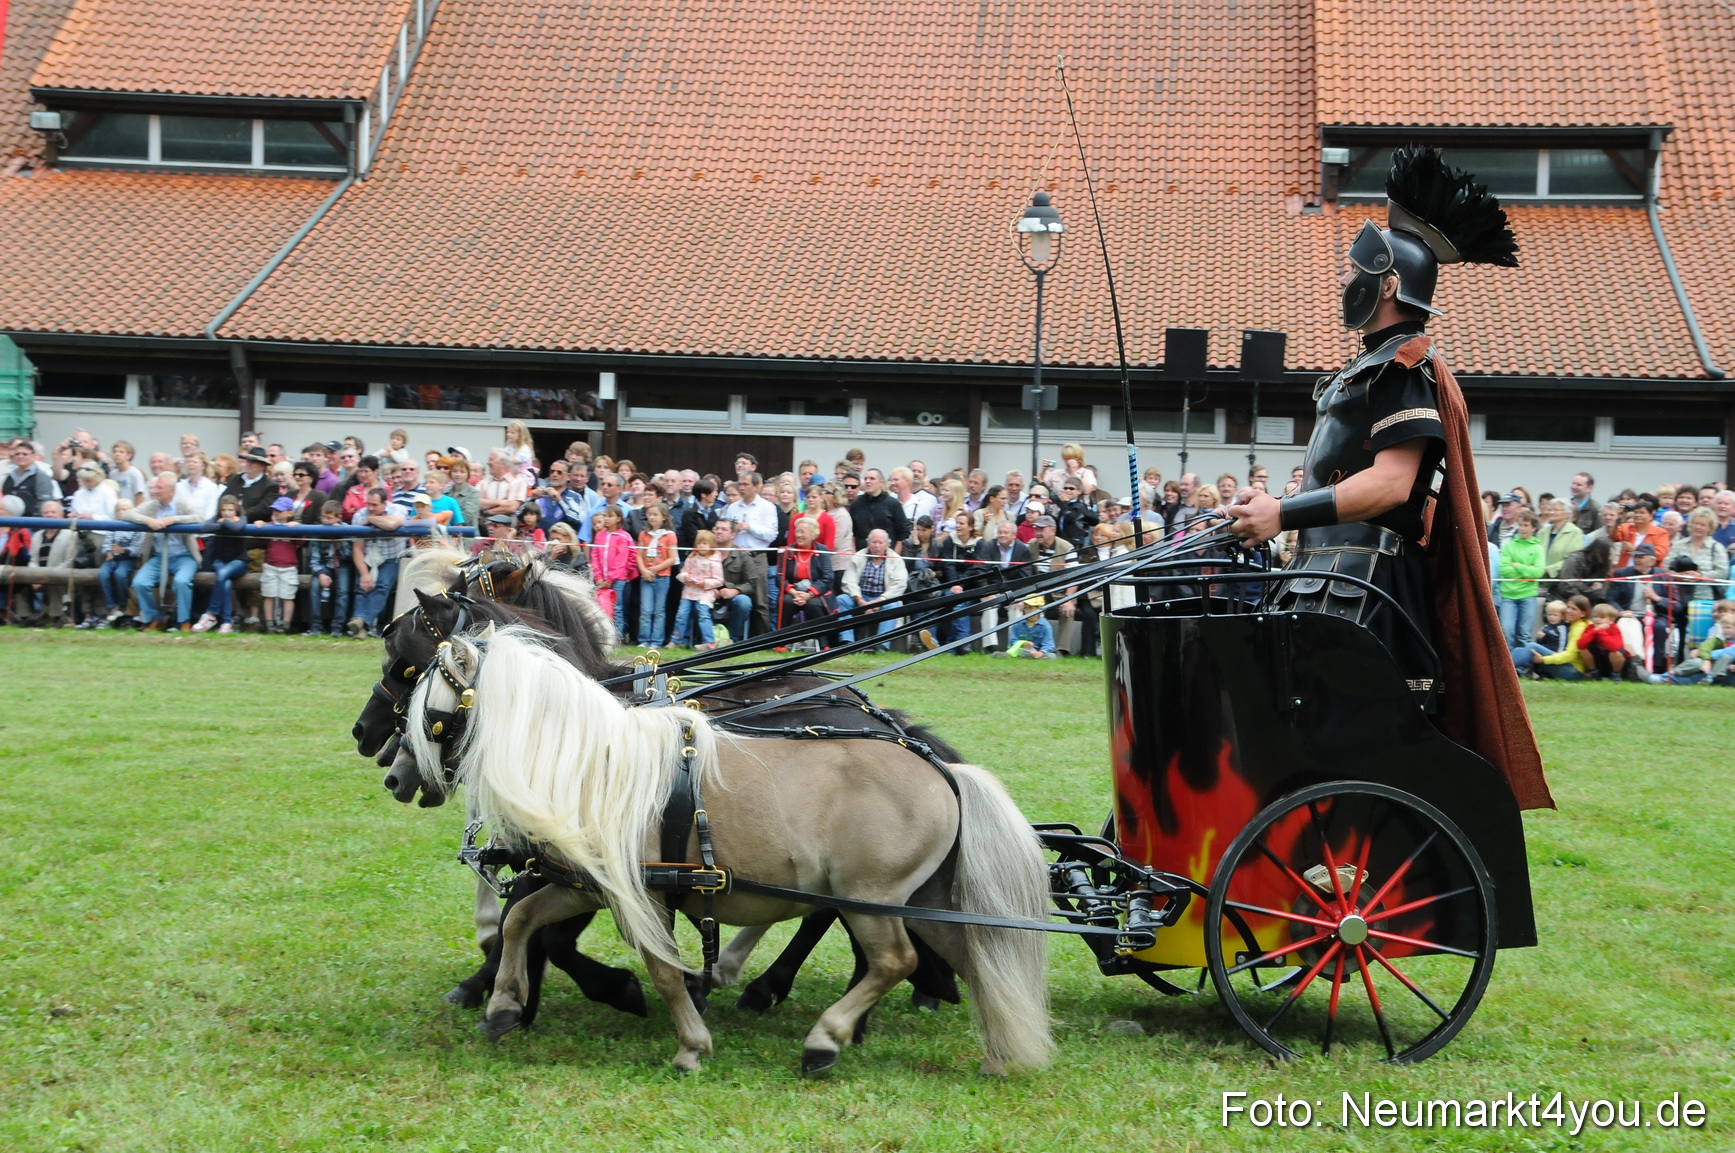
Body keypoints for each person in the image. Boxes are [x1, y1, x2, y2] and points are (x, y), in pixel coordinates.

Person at [1223, 145, 1549, 811]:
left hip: (1369, 593)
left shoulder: (1404, 367)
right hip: (1330, 580)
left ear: (1389, 285)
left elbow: (1391, 483)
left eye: (1355, 273)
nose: (1347, 282)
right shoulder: (1368, 366)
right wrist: (1273, 506)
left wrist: (1281, 514)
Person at [124, 471, 204, 631]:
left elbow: (200, 517)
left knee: (181, 582)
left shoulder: (182, 505)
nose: (155, 491)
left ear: (171, 490)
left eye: (160, 487)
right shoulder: (152, 505)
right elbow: (127, 514)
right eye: (155, 487)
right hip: (159, 557)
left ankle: (184, 621)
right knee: (139, 583)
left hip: (184, 556)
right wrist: (148, 520)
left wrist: (174, 520)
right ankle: (154, 618)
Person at [348, 488, 406, 638]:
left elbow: (392, 524)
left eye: (375, 505)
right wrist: (364, 574)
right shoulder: (359, 515)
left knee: (382, 586)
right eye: (368, 504)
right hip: (367, 556)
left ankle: (361, 621)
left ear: (385, 503)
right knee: (362, 587)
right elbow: (357, 549)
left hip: (391, 557)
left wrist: (371, 520)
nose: (370, 508)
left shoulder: (398, 509)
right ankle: (361, 628)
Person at [838, 528, 907, 649]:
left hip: (884, 599)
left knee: (894, 606)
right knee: (841, 599)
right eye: (874, 542)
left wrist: (880, 600)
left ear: (887, 545)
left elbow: (899, 584)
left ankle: (882, 645)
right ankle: (847, 642)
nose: (877, 546)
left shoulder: (896, 560)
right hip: (861, 597)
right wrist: (860, 601)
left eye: (880, 543)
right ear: (868, 543)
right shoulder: (858, 557)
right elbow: (849, 581)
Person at [194, 495, 251, 634]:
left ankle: (211, 613)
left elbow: (237, 528)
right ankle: (226, 622)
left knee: (223, 574)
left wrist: (223, 523)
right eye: (224, 510)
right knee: (225, 583)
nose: (227, 513)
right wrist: (224, 523)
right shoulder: (216, 519)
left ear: (236, 509)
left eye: (230, 510)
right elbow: (206, 527)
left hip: (239, 561)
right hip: (220, 560)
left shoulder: (242, 518)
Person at [774, 517, 835, 633]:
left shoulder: (823, 550)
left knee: (813, 605)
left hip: (816, 593)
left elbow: (827, 578)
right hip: (794, 591)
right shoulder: (787, 551)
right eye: (797, 531)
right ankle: (781, 641)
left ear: (813, 535)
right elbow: (780, 577)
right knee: (786, 601)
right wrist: (794, 592)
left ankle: (823, 643)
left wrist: (809, 594)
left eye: (802, 532)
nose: (798, 535)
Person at [1496, 509, 1545, 647]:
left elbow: (1538, 572)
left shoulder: (1538, 548)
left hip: (1528, 595)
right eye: (1521, 525)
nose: (1522, 528)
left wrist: (1516, 565)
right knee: (1506, 630)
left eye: (1526, 525)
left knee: (1525, 633)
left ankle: (1523, 666)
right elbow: (1504, 570)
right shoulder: (1509, 546)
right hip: (1508, 596)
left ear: (1533, 527)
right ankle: (1509, 665)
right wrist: (1527, 569)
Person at [672, 529, 724, 649]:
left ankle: (709, 642)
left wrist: (705, 583)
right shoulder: (692, 557)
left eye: (705, 543)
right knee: (681, 614)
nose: (702, 546)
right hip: (689, 591)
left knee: (703, 615)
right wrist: (686, 578)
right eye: (699, 543)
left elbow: (719, 580)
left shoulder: (715, 561)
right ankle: (676, 640)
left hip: (705, 593)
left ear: (711, 545)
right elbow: (682, 573)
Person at [589, 506, 637, 636]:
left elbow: (621, 560)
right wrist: (598, 577)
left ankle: (618, 635)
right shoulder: (599, 536)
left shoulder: (623, 537)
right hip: (601, 580)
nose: (606, 519)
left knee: (617, 608)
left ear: (618, 518)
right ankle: (603, 634)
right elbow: (595, 557)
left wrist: (611, 579)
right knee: (601, 607)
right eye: (605, 516)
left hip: (617, 580)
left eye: (610, 516)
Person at [635, 502, 677, 646]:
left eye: (655, 515)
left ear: (663, 517)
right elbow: (639, 555)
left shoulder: (670, 536)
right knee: (646, 610)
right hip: (646, 576)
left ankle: (656, 641)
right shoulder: (644, 534)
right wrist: (644, 571)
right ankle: (644, 639)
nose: (651, 517)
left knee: (659, 611)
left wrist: (655, 569)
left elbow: (672, 558)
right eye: (649, 514)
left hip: (662, 577)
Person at [259, 496, 303, 634]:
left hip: (289, 567)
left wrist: (297, 528)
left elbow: (302, 541)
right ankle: (269, 623)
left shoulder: (293, 527)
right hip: (271, 565)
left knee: (288, 596)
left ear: (289, 513)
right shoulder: (269, 526)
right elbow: (257, 539)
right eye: (274, 510)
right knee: (268, 594)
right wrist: (259, 525)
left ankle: (285, 624)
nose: (276, 513)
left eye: (280, 510)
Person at [711, 519, 758, 643]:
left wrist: (735, 591)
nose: (719, 532)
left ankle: (732, 640)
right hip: (708, 593)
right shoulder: (705, 552)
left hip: (734, 597)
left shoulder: (742, 555)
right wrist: (710, 589)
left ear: (733, 534)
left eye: (724, 529)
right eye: (717, 529)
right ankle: (704, 638)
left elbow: (752, 583)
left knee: (743, 602)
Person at [308, 501, 348, 636]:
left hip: (343, 564)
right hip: (324, 565)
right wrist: (320, 574)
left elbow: (348, 556)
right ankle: (315, 626)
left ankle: (337, 627)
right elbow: (314, 559)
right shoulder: (317, 531)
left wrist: (339, 536)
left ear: (339, 518)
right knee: (314, 586)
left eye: (329, 518)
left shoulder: (348, 530)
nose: (325, 521)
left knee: (343, 590)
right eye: (323, 517)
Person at [847, 468, 909, 550]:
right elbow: (852, 533)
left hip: (887, 555)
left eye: (872, 478)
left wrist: (894, 557)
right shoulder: (856, 504)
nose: (868, 481)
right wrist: (854, 555)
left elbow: (903, 532)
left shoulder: (893, 504)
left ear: (881, 483)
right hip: (861, 555)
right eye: (866, 479)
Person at [1576, 602, 1630, 680]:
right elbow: (1580, 645)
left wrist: (1601, 631)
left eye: (1601, 617)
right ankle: (1594, 672)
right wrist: (1594, 631)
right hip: (1599, 661)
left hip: (1612, 662)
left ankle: (1616, 674)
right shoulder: (1591, 628)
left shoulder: (1614, 628)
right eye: (1595, 616)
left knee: (1616, 652)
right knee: (1583, 648)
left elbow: (1614, 647)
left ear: (1611, 620)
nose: (1597, 619)